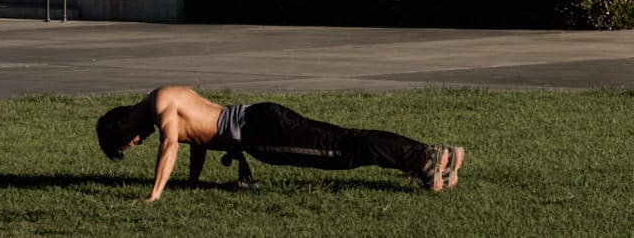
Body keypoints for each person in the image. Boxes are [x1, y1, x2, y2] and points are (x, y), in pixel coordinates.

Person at [97, 85, 463, 201]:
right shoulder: (167, 98)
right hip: (261, 117)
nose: (135, 144)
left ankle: (426, 159)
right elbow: (196, 140)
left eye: (127, 144)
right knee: (345, 141)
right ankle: (432, 157)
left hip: (262, 134)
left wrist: (155, 194)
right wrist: (192, 183)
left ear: (120, 128)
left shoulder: (159, 103)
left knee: (343, 151)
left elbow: (171, 146)